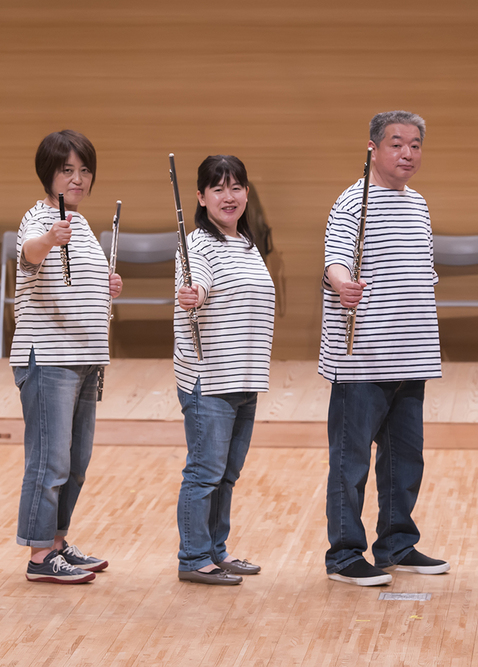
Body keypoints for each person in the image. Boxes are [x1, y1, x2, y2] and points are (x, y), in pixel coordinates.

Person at [320, 110, 448, 586]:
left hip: (411, 354)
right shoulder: (352, 201)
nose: (407, 153)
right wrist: (343, 285)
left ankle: (396, 545)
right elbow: (334, 261)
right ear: (373, 149)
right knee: (349, 462)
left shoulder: (419, 204)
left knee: (404, 460)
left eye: (415, 145)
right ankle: (343, 555)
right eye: (396, 144)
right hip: (362, 359)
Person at [11, 130, 123, 584]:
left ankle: (57, 543)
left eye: (84, 170)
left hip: (86, 358)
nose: (78, 179)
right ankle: (40, 556)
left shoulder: (81, 224)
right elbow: (29, 253)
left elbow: (81, 284)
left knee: (76, 463)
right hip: (50, 358)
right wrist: (48, 239)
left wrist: (107, 285)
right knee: (49, 461)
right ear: (49, 174)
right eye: (67, 170)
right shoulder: (39, 218)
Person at [174, 155, 275, 585]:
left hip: (245, 378)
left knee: (226, 475)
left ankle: (216, 551)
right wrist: (193, 294)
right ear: (201, 197)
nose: (228, 196)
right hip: (211, 381)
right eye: (218, 189)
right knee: (204, 474)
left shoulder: (246, 244)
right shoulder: (197, 246)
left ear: (247, 193)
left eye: (235, 187)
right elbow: (197, 283)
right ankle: (194, 558)